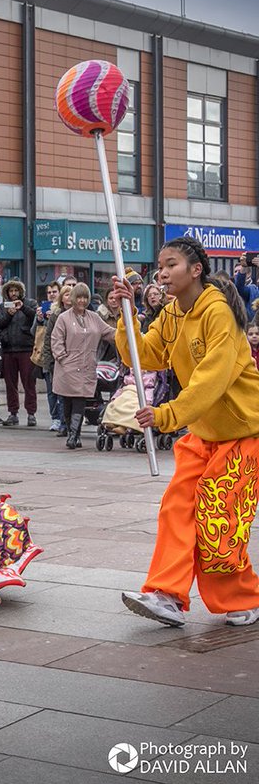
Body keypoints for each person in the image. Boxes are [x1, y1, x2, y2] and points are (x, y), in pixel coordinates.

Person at [110, 236, 259, 628]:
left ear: (196, 270)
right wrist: (128, 316)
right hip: (203, 435)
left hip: (243, 433)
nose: (162, 272)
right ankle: (166, 594)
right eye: (159, 265)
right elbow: (141, 355)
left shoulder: (218, 312)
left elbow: (213, 379)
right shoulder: (173, 313)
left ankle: (242, 597)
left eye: (171, 264)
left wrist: (167, 414)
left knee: (218, 522)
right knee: (176, 509)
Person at [51, 282, 115, 450]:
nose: (82, 301)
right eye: (79, 297)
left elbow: (109, 332)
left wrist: (128, 332)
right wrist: (62, 357)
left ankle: (74, 435)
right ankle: (73, 432)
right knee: (67, 401)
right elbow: (56, 340)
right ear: (73, 298)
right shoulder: (63, 318)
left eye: (85, 297)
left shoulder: (94, 317)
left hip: (87, 366)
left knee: (80, 400)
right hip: (67, 366)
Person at [0, 279, 38, 427]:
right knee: (10, 384)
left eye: (16, 291)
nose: (13, 294)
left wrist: (22, 307)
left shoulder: (30, 303)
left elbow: (35, 317)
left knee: (29, 383)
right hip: (8, 349)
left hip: (26, 348)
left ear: (20, 292)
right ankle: (13, 413)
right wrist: (9, 314)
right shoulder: (2, 307)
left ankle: (31, 413)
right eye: (11, 291)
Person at [39, 284, 74, 433]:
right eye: (66, 294)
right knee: (57, 394)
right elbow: (48, 340)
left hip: (73, 359)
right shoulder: (56, 315)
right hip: (57, 359)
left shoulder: (80, 314)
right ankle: (62, 423)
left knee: (70, 395)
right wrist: (49, 362)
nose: (69, 297)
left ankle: (71, 423)